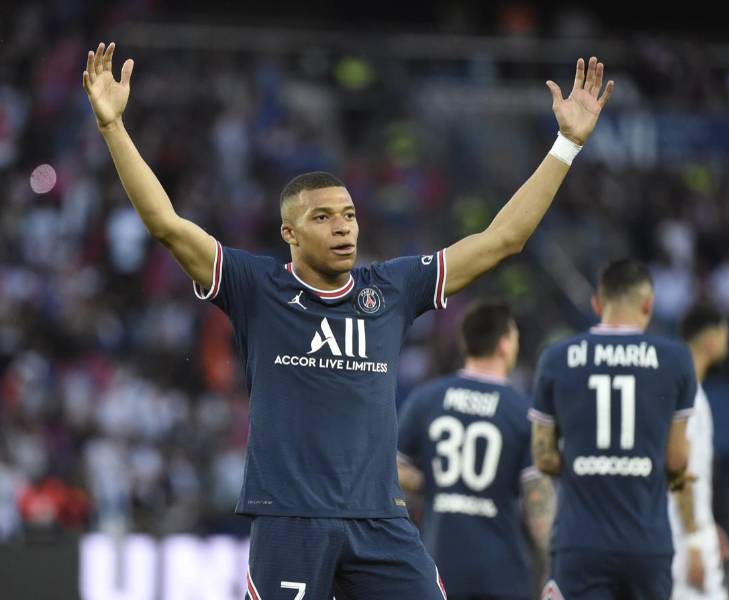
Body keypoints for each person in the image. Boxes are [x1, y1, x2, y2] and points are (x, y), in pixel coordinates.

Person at [82, 40, 612, 600]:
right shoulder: (256, 287)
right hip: (291, 520)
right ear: (290, 233)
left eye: (351, 215)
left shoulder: (391, 288)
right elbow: (166, 224)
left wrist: (566, 144)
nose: (344, 227)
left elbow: (503, 239)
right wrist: (113, 126)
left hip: (379, 522)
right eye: (324, 217)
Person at [531, 259, 696, 600]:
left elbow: (543, 458)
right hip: (647, 542)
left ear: (596, 303)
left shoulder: (556, 358)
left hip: (579, 542)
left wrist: (583, 463)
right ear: (648, 304)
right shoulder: (676, 359)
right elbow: (677, 459)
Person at [397, 300, 555, 600]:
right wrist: (554, 561)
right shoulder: (522, 412)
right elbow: (539, 501)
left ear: (464, 341)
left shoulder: (426, 399)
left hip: (437, 564)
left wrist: (429, 484)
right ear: (505, 345)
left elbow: (391, 466)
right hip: (502, 571)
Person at [668, 305, 729, 600]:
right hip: (684, 539)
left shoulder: (683, 387)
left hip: (685, 529)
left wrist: (706, 521)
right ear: (711, 338)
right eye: (724, 333)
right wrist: (693, 536)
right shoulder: (688, 393)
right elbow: (680, 465)